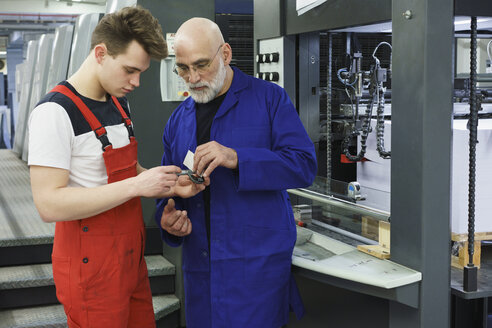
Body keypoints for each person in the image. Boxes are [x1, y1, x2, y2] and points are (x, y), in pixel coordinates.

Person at [28, 7, 207, 328]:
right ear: (100, 53)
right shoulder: (54, 112)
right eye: (129, 70)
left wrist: (171, 184)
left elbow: (127, 170)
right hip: (90, 270)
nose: (136, 82)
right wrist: (137, 187)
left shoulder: (118, 102)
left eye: (141, 72)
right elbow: (48, 204)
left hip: (129, 261)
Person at [155, 17, 317, 328]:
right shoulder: (178, 121)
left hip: (256, 275)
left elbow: (303, 165)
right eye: (183, 68)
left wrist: (238, 158)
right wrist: (166, 218)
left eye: (202, 65)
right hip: (201, 273)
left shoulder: (269, 99)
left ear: (226, 54)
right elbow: (169, 185)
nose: (193, 77)